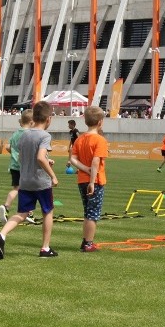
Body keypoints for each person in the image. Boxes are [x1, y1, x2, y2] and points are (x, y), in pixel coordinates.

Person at [0, 101, 59, 259]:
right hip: (41, 182)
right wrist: (53, 175)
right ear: (48, 119)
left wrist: (45, 161)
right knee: (48, 211)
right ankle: (45, 248)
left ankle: (1, 235)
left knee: (22, 213)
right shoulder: (45, 136)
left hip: (25, 180)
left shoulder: (24, 135)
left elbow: (23, 157)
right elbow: (40, 157)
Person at [69, 106, 108, 252]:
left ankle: (85, 241)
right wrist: (92, 180)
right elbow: (96, 161)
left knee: (87, 212)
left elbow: (73, 159)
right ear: (100, 122)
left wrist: (84, 169)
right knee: (93, 214)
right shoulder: (100, 140)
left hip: (82, 179)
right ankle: (88, 243)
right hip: (95, 181)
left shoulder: (80, 139)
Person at [0, 109, 35, 224]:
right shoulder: (29, 134)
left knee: (16, 188)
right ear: (31, 122)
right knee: (30, 189)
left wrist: (14, 154)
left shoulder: (15, 134)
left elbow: (8, 147)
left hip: (14, 165)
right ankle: (28, 212)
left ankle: (7, 206)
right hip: (25, 166)